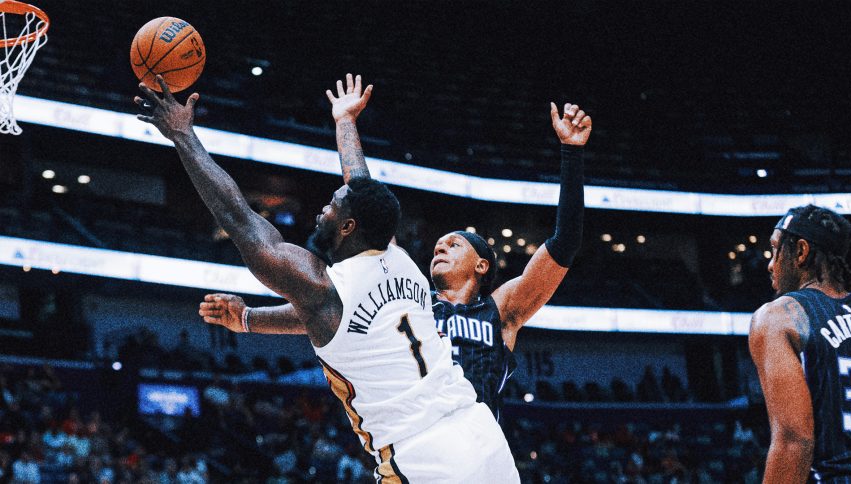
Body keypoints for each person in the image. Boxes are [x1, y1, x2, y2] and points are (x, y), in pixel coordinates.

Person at [134, 75, 518, 482]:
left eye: (332, 206)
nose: (324, 208)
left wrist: (183, 135)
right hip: (481, 432)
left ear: (349, 226)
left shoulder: (322, 289)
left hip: (424, 455)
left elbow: (238, 217)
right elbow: (360, 186)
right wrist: (345, 121)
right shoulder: (399, 258)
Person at [201, 73, 590, 419]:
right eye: (439, 244)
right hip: (410, 440)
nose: (440, 247)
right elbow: (326, 297)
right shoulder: (409, 293)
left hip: (472, 450)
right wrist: (345, 122)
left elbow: (565, 243)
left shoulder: (501, 311)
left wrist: (571, 154)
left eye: (454, 244)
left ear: (482, 265)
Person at [749, 204, 851, 483]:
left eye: (775, 250)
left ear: (800, 251)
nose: (771, 264)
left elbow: (794, 440)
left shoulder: (778, 316)